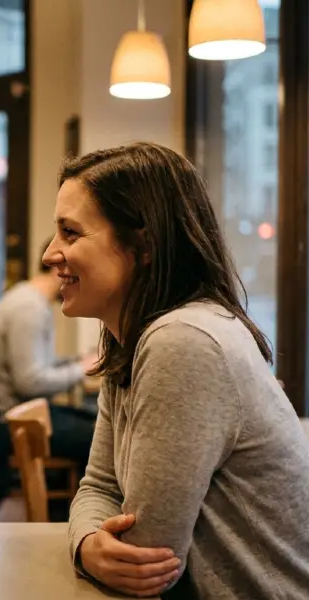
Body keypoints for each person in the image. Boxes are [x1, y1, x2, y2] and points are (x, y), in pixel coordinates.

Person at [48, 142, 309, 599]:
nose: (51, 254)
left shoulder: (183, 341)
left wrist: (94, 545)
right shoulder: (131, 337)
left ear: (143, 244)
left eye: (70, 233)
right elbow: (98, 486)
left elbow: (147, 558)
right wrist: (88, 544)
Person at [0, 241, 97, 463]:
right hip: (13, 422)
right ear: (58, 268)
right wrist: (81, 369)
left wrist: (74, 361)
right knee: (101, 439)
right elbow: (30, 383)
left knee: (94, 421)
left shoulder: (31, 300)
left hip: (21, 412)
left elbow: (37, 364)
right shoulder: (28, 309)